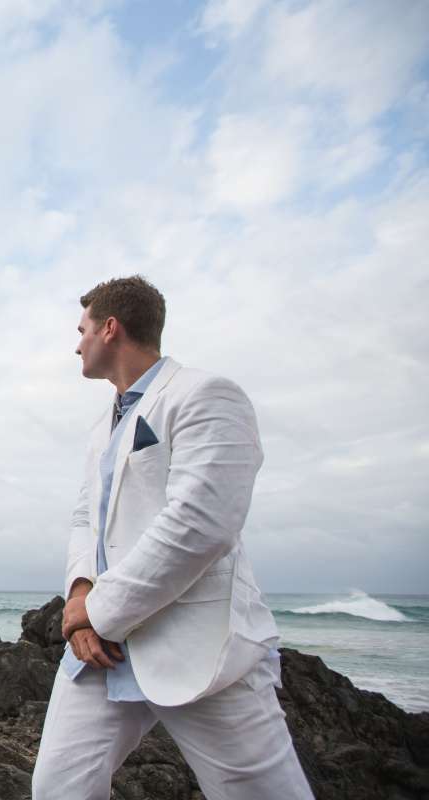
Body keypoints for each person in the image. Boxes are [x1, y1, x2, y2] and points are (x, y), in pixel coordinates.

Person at [32, 276, 313, 799]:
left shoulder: (206, 395)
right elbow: (83, 521)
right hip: (99, 654)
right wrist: (78, 594)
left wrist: (98, 612)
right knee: (57, 788)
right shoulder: (101, 428)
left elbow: (202, 522)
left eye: (82, 330)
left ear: (110, 329)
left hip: (199, 648)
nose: (76, 344)